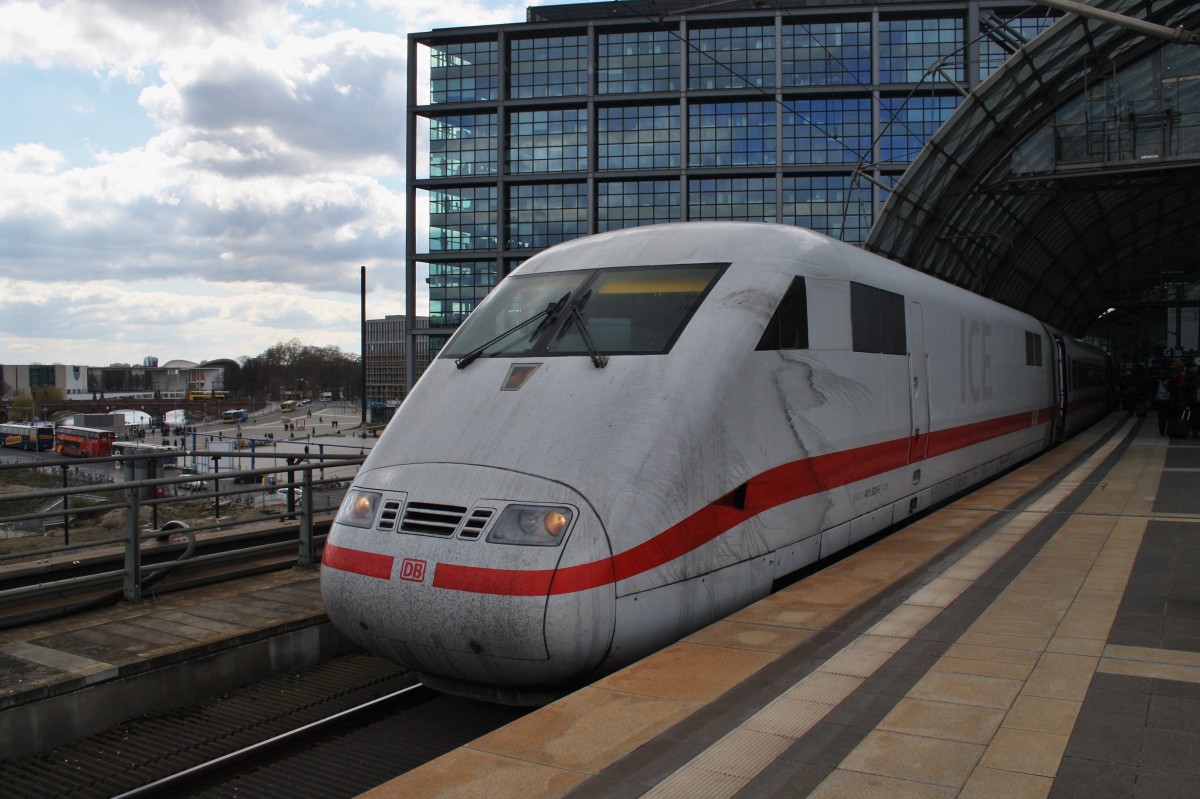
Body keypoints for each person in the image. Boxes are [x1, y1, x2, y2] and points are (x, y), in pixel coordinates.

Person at [1153, 371, 1175, 436]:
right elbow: (1173, 391)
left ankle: (1162, 430)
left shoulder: (1157, 382)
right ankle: (1166, 429)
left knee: (1161, 416)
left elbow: (1153, 390)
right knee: (1167, 416)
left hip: (1160, 400)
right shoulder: (1170, 382)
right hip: (1166, 400)